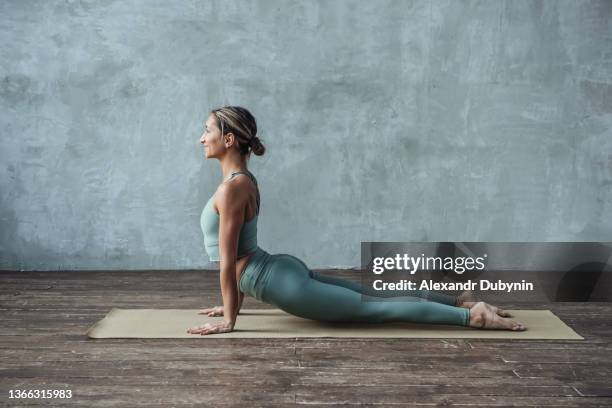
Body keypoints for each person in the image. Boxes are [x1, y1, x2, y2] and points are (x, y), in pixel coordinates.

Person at [187, 106, 527, 336]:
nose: (202, 138)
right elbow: (239, 256)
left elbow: (230, 260)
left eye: (207, 131)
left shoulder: (230, 189)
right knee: (375, 295)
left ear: (228, 139)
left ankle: (472, 315)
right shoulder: (243, 181)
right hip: (278, 269)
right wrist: (230, 303)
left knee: (379, 309)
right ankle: (459, 300)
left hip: (279, 282)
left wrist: (230, 318)